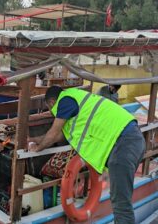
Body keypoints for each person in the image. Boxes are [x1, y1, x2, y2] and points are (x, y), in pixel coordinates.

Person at [28, 86, 145, 224]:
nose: (52, 112)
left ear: (52, 102)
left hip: (123, 145)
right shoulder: (75, 99)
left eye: (49, 108)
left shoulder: (65, 101)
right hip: (129, 141)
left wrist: (37, 148)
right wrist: (33, 140)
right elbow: (58, 135)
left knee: (121, 205)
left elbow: (53, 134)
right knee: (120, 200)